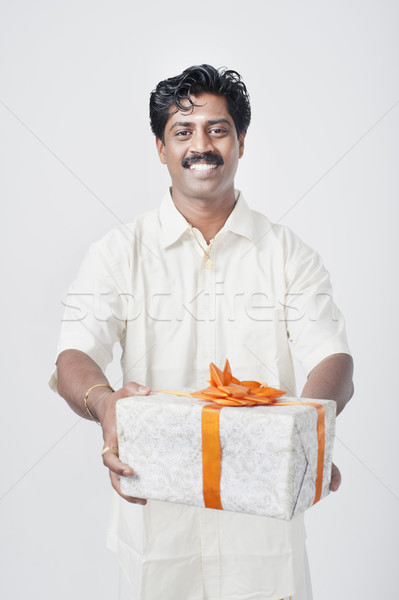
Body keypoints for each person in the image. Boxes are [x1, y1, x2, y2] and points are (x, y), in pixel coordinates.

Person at [50, 64, 354, 600]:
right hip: (157, 528)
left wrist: (312, 429)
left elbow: (333, 360)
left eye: (218, 129)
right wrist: (105, 404)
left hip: (263, 536)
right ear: (161, 149)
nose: (201, 145)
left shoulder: (288, 254)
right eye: (182, 131)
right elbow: (74, 354)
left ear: (241, 142)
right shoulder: (119, 252)